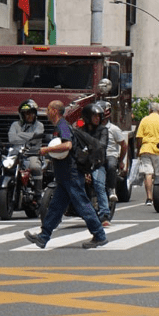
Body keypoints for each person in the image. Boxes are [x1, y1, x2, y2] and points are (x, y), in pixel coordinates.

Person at [24, 100, 108, 249]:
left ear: (54, 111)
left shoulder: (62, 125)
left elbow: (67, 145)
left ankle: (99, 235)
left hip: (71, 173)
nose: (47, 112)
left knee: (82, 204)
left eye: (48, 109)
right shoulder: (60, 125)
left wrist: (46, 150)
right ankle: (43, 237)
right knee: (55, 207)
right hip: (64, 175)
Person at [0, 100, 45, 220]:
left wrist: (20, 136)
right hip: (15, 153)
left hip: (32, 153)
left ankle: (37, 196)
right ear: (22, 115)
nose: (29, 116)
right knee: (0, 170)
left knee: (35, 167)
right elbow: (12, 138)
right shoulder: (15, 125)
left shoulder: (39, 125)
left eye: (32, 113)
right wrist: (27, 136)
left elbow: (35, 138)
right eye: (26, 113)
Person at [135, 102, 159, 206]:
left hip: (145, 149)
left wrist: (138, 149)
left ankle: (149, 198)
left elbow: (139, 137)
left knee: (148, 173)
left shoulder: (144, 120)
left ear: (150, 110)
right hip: (158, 150)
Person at [80, 103, 110, 226]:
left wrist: (90, 146)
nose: (97, 118)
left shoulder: (103, 130)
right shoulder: (81, 130)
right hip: (83, 163)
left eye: (99, 116)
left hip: (97, 163)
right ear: (87, 117)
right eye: (94, 116)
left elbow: (102, 145)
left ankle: (104, 214)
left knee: (98, 184)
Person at [97, 101, 127, 208]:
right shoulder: (91, 128)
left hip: (110, 155)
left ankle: (111, 189)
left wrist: (121, 161)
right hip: (95, 156)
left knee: (111, 166)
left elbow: (123, 145)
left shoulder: (114, 129)